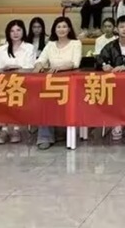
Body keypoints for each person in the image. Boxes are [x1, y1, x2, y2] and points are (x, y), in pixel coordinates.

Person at [33, 16, 82, 150]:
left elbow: (75, 63)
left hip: (70, 83)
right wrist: (38, 66)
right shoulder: (50, 45)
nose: (61, 29)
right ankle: (45, 137)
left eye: (64, 26)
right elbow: (41, 60)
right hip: (51, 83)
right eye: (58, 27)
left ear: (69, 29)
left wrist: (60, 67)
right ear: (54, 30)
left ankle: (61, 131)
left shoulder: (76, 43)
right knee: (44, 100)